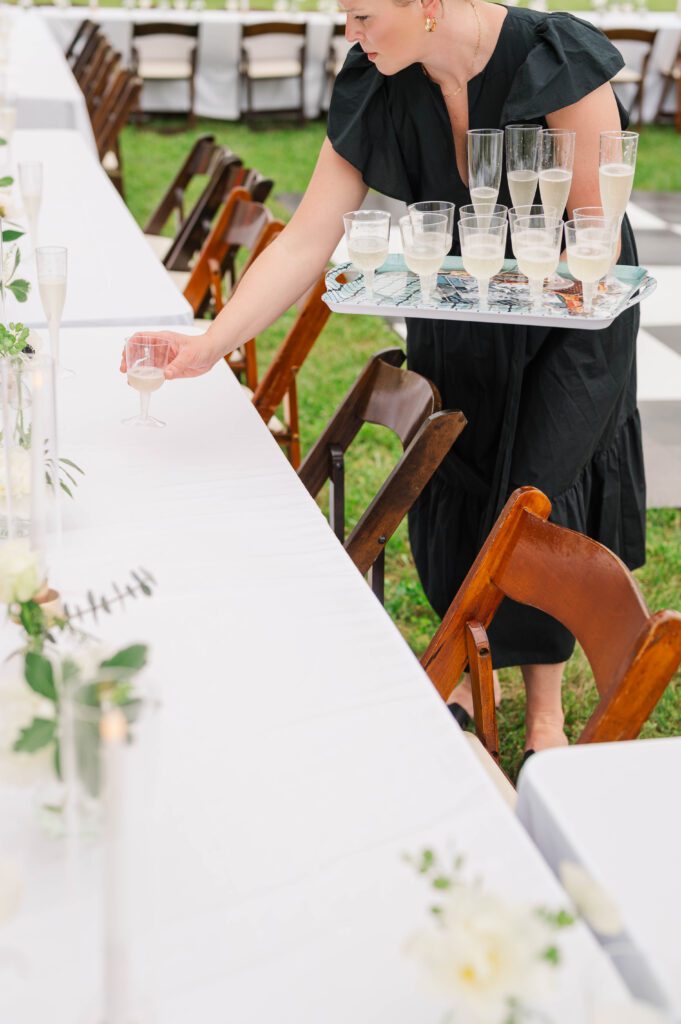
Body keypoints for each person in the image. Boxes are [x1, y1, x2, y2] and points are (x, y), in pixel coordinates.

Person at [124, 0, 644, 756]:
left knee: (540, 495)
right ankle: (468, 669)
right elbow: (309, 236)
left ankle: (544, 709)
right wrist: (211, 342)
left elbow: (594, 235)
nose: (350, 34)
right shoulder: (381, 73)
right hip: (457, 305)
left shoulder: (550, 57)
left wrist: (522, 292)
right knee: (461, 484)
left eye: (362, 15)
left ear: (427, 7)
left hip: (567, 316)